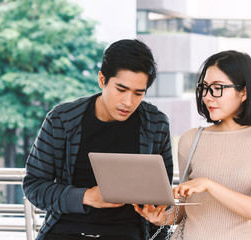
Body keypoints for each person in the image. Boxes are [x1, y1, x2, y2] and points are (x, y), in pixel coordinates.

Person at [22, 39, 173, 240]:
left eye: (138, 93)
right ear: (102, 79)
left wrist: (157, 212)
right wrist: (86, 197)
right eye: (121, 89)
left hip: (127, 234)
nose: (128, 102)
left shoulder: (156, 124)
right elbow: (34, 186)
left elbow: (162, 195)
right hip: (67, 231)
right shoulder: (62, 119)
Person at [134, 50, 251, 240]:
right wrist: (161, 218)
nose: (207, 97)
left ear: (244, 92)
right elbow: (183, 212)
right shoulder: (191, 139)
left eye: (217, 88)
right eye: (204, 87)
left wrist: (209, 184)